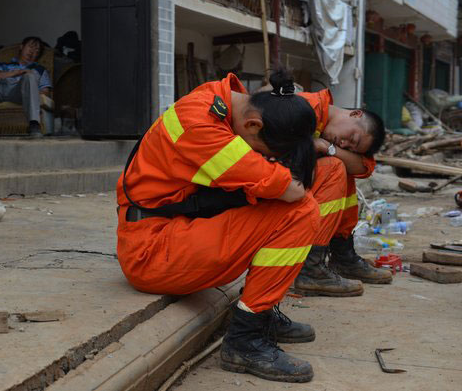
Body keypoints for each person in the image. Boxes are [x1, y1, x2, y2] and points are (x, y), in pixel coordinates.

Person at [116, 69, 358, 383]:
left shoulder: (224, 103)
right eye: (264, 152)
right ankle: (244, 340)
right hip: (152, 252)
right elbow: (287, 187)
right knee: (300, 211)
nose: (261, 156)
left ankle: (261, 310)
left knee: (325, 175)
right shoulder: (200, 124)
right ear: (254, 124)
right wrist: (281, 172)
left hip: (178, 229)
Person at [293, 89, 389, 297]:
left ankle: (342, 255)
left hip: (292, 189)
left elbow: (364, 167)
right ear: (355, 114)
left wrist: (329, 148)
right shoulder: (306, 107)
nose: (344, 143)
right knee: (336, 168)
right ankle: (310, 268)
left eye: (351, 146)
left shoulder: (331, 138)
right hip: (268, 191)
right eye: (352, 137)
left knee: (342, 168)